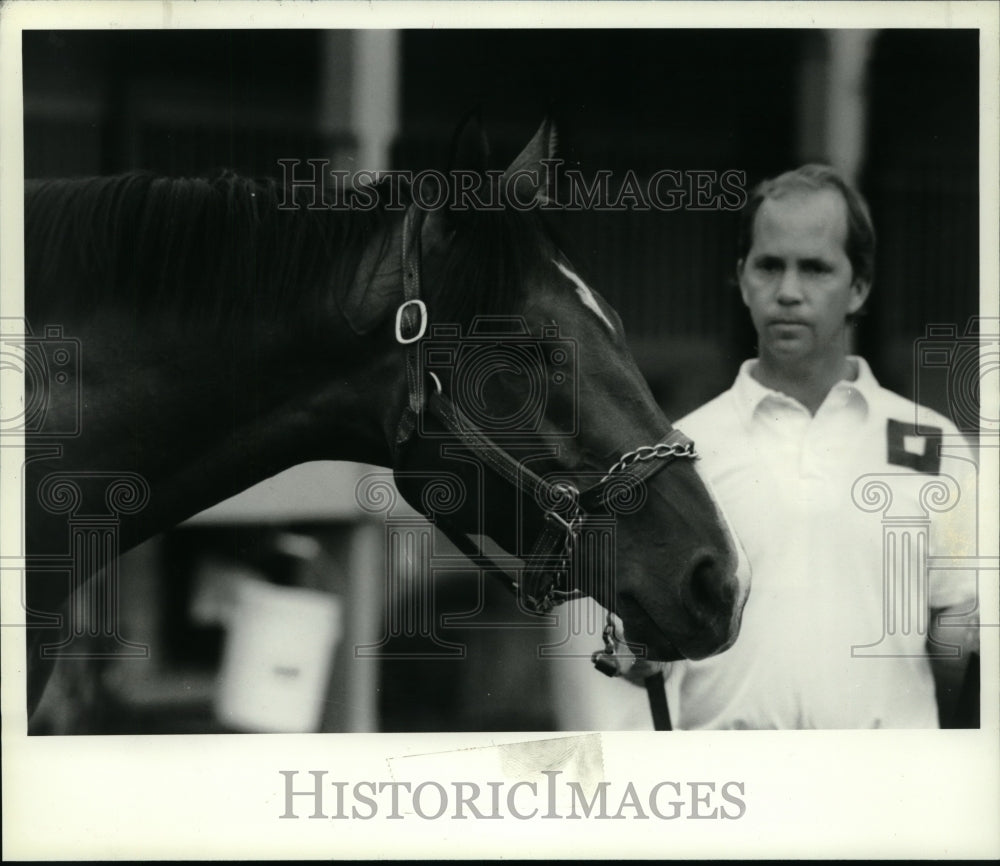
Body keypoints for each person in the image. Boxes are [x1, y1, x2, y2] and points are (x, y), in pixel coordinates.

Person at [552, 164, 980, 730]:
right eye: (770, 265)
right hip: (735, 792)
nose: (789, 292)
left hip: (883, 788)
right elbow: (641, 645)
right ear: (742, 277)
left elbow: (957, 634)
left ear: (859, 286)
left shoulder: (933, 446)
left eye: (816, 268)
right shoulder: (680, 453)